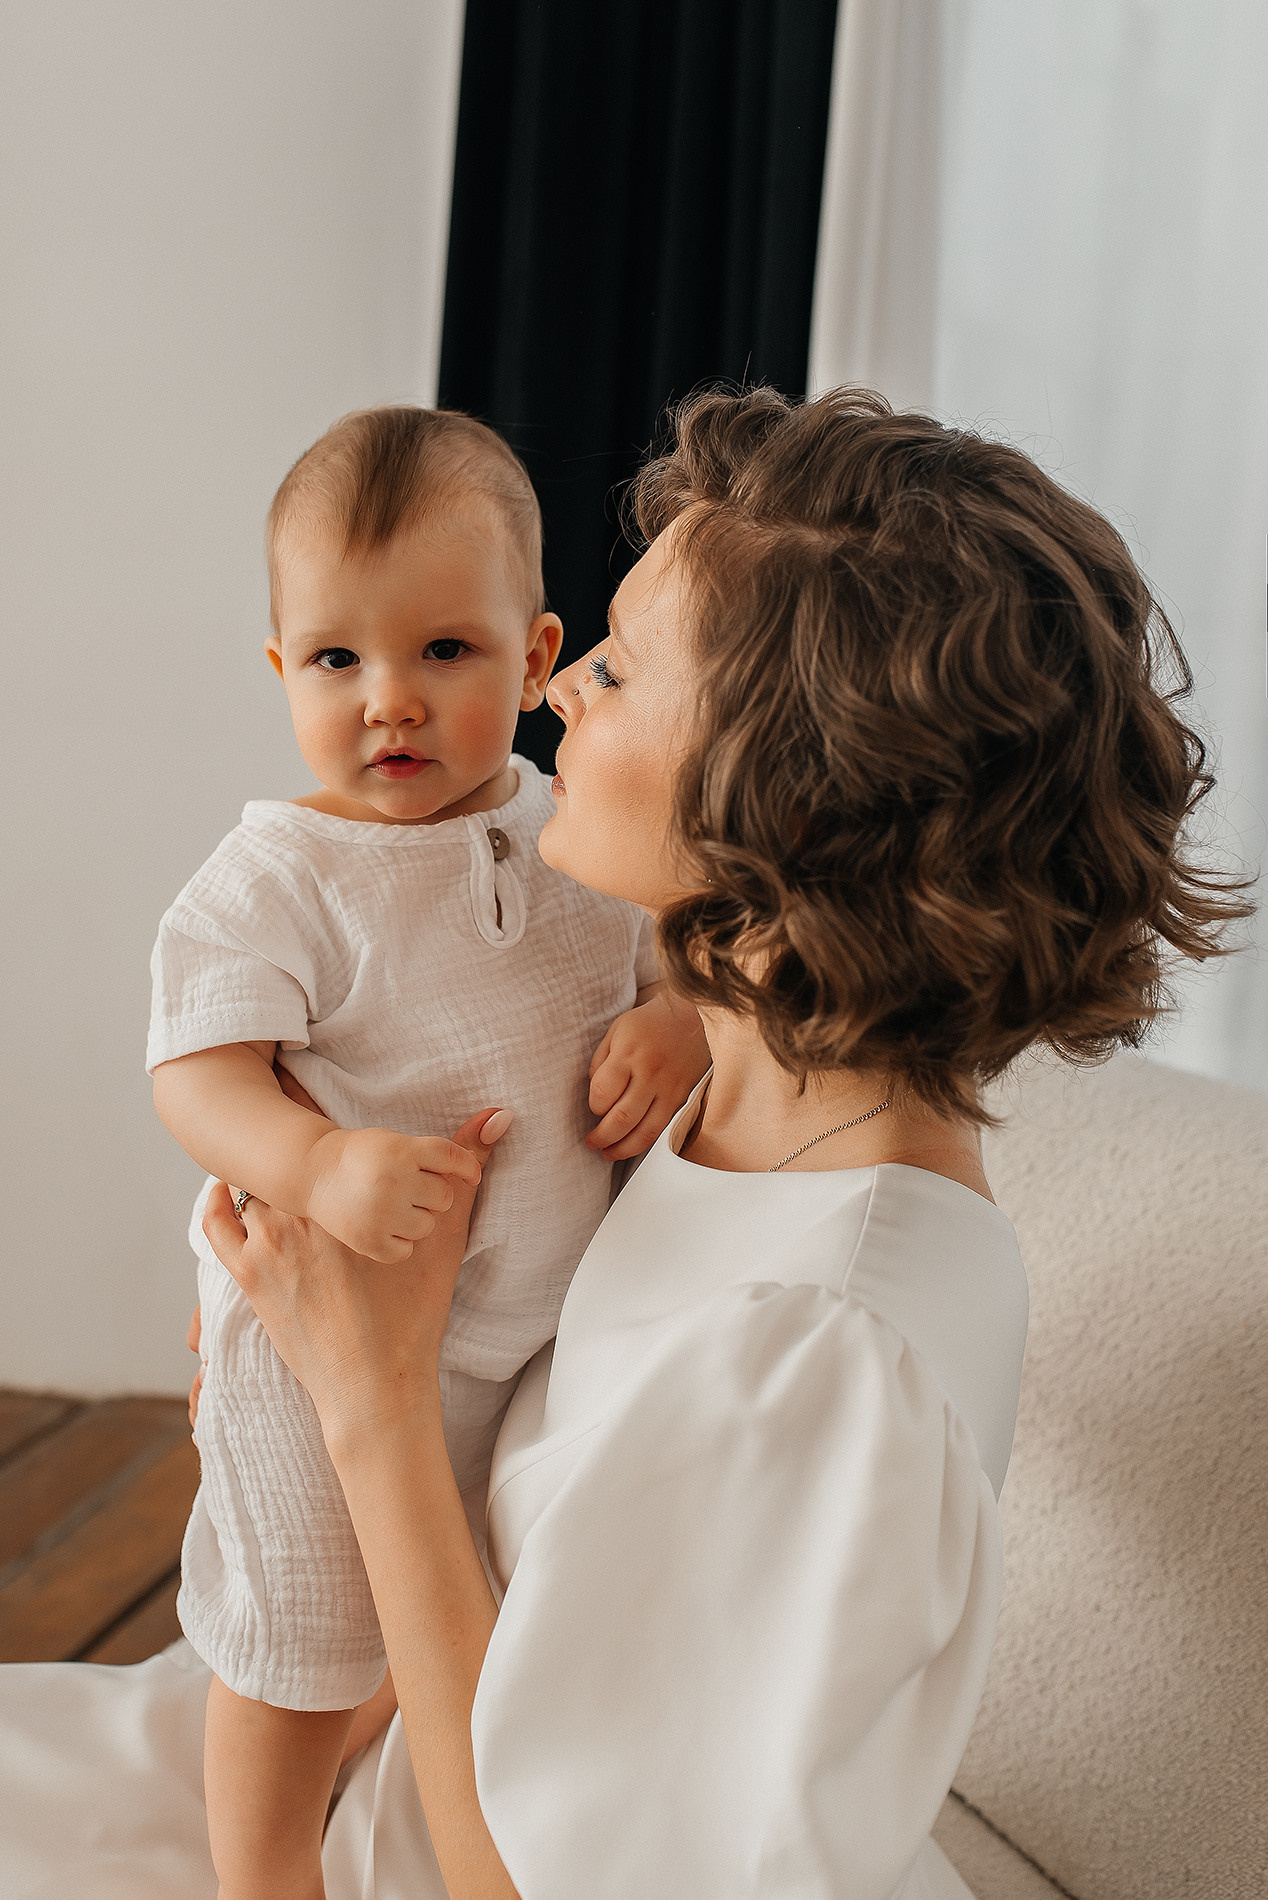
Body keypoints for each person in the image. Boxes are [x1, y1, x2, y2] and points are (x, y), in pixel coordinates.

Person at [0, 386, 1246, 1900]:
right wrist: (298, 1309)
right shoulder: (731, 1092)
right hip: (368, 1729)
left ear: (786, 792)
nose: (563, 688)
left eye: (624, 666)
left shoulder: (821, 1351)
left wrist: (372, 1396)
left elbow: (528, 1876)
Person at [145, 406, 710, 1899]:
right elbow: (195, 1074)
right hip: (328, 1343)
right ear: (282, 676)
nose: (387, 702)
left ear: (535, 661)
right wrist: (314, 1163)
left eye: (442, 655)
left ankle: (378, 1771)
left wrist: (678, 1025)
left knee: (443, 1607)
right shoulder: (277, 879)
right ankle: (264, 1869)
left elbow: (658, 962)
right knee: (302, 1639)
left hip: (517, 1346)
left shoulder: (577, 831)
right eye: (337, 661)